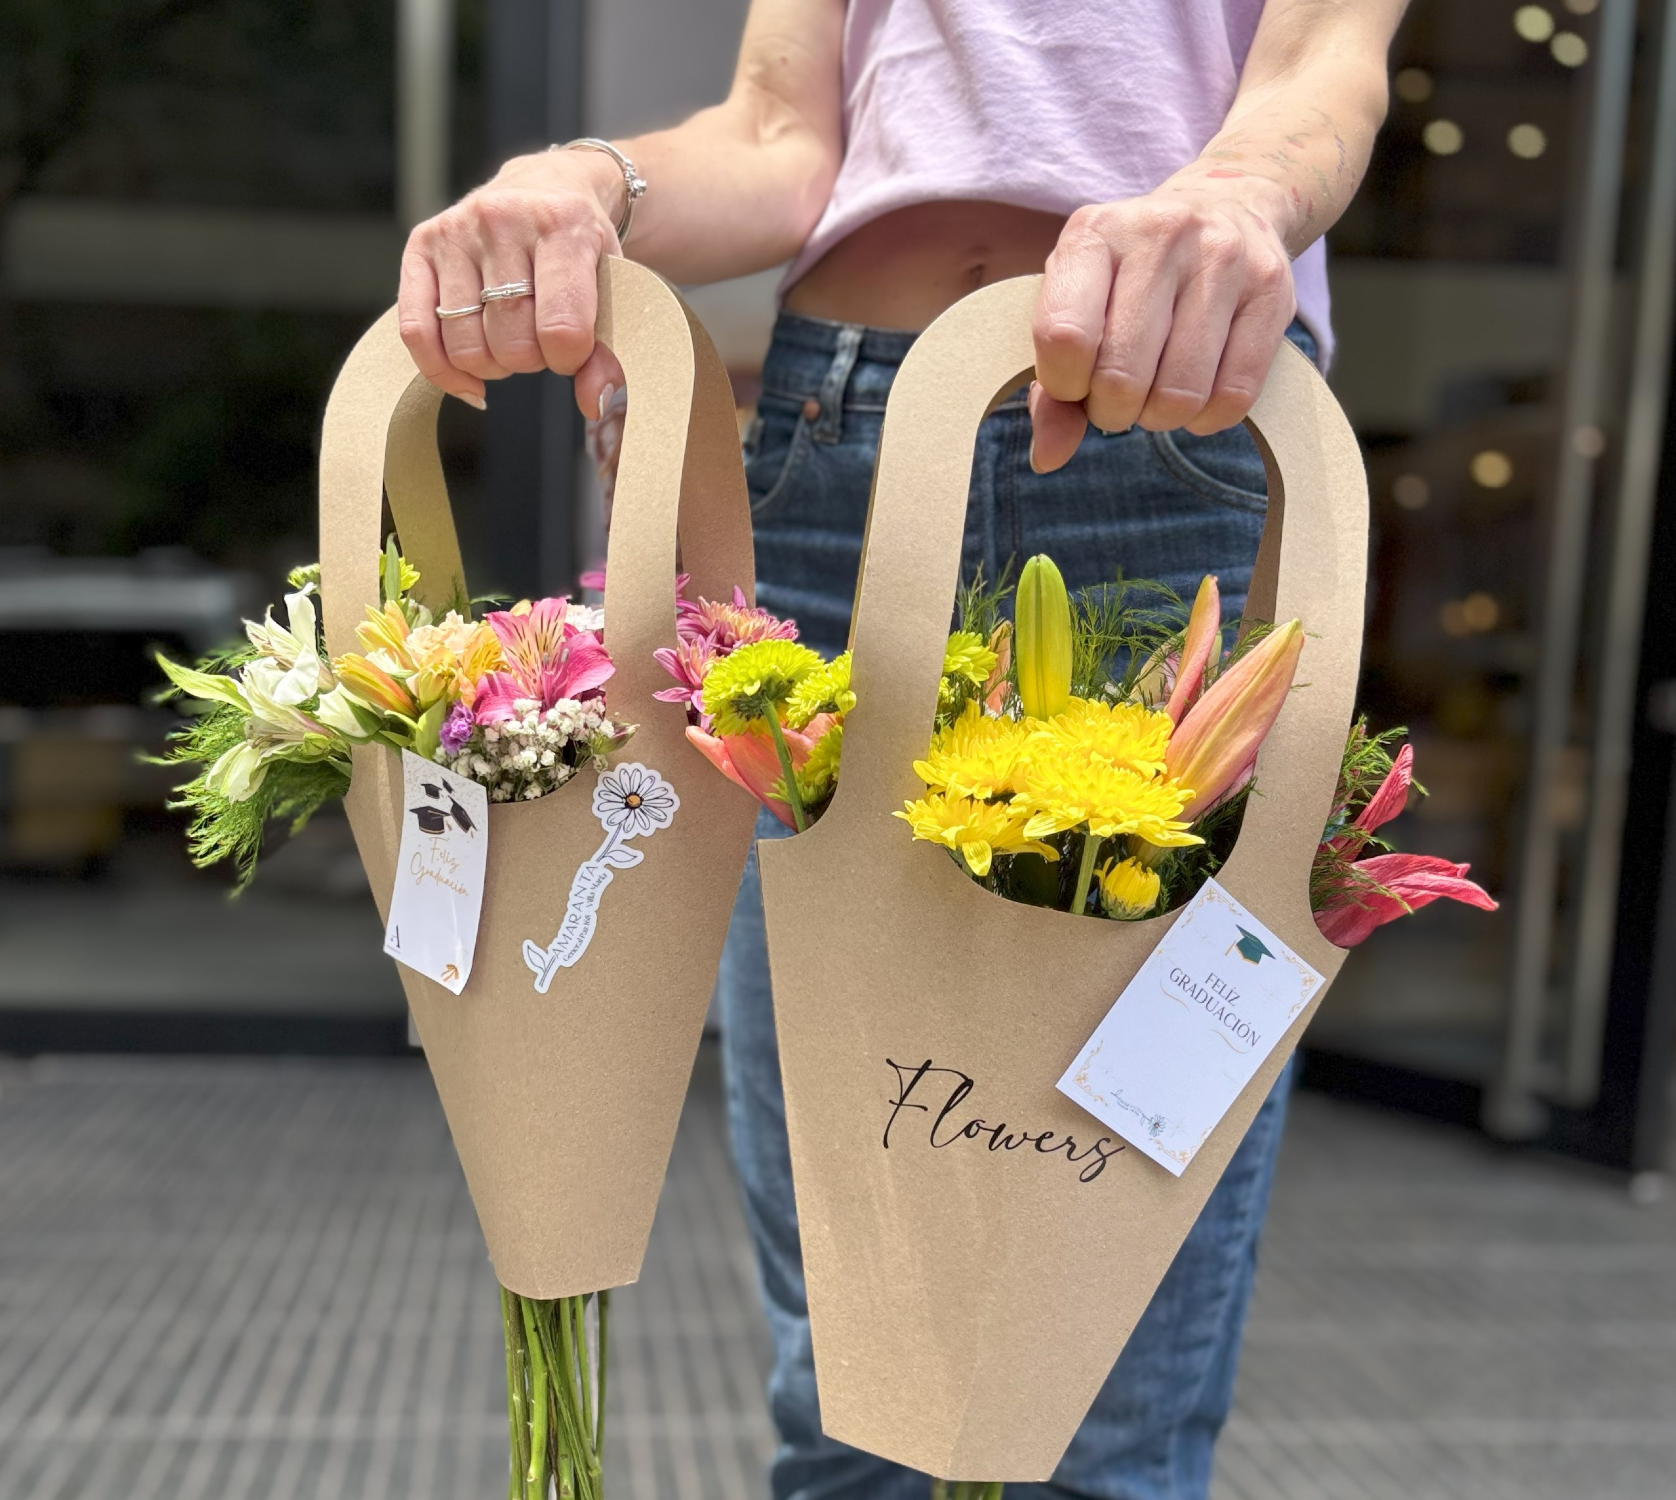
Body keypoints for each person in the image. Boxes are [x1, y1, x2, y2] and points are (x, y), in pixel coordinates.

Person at [398, 1, 1405, 1494]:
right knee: (854, 1346)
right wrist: (589, 183)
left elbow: (1326, 64)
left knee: (1097, 1363)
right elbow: (780, 135)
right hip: (843, 447)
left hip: (1166, 423)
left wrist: (1233, 193)